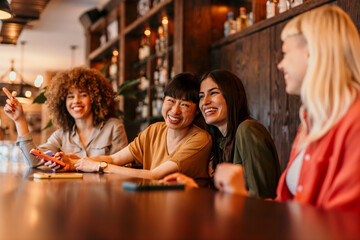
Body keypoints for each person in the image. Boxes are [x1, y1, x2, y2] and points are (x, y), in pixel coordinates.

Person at [213, 5, 360, 213]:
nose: (280, 64)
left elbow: (342, 224)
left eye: (285, 53)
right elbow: (286, 207)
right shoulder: (310, 122)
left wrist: (240, 198)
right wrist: (240, 197)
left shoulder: (354, 121)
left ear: (311, 54)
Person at [61, 73, 212, 186]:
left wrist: (100, 166)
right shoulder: (155, 130)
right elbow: (115, 159)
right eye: (171, 101)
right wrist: (73, 163)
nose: (175, 111)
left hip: (188, 211)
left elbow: (155, 175)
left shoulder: (200, 139)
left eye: (185, 105)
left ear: (197, 110)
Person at [164, 69, 281, 198]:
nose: (205, 102)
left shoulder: (247, 129)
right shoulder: (220, 142)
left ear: (232, 95)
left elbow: (262, 200)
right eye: (201, 96)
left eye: (213, 93)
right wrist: (194, 189)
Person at [3, 67, 128, 169]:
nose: (76, 101)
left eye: (83, 95)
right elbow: (34, 161)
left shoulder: (113, 127)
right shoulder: (61, 135)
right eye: (70, 96)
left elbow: (123, 163)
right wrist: (19, 120)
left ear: (95, 98)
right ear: (62, 102)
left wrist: (74, 163)